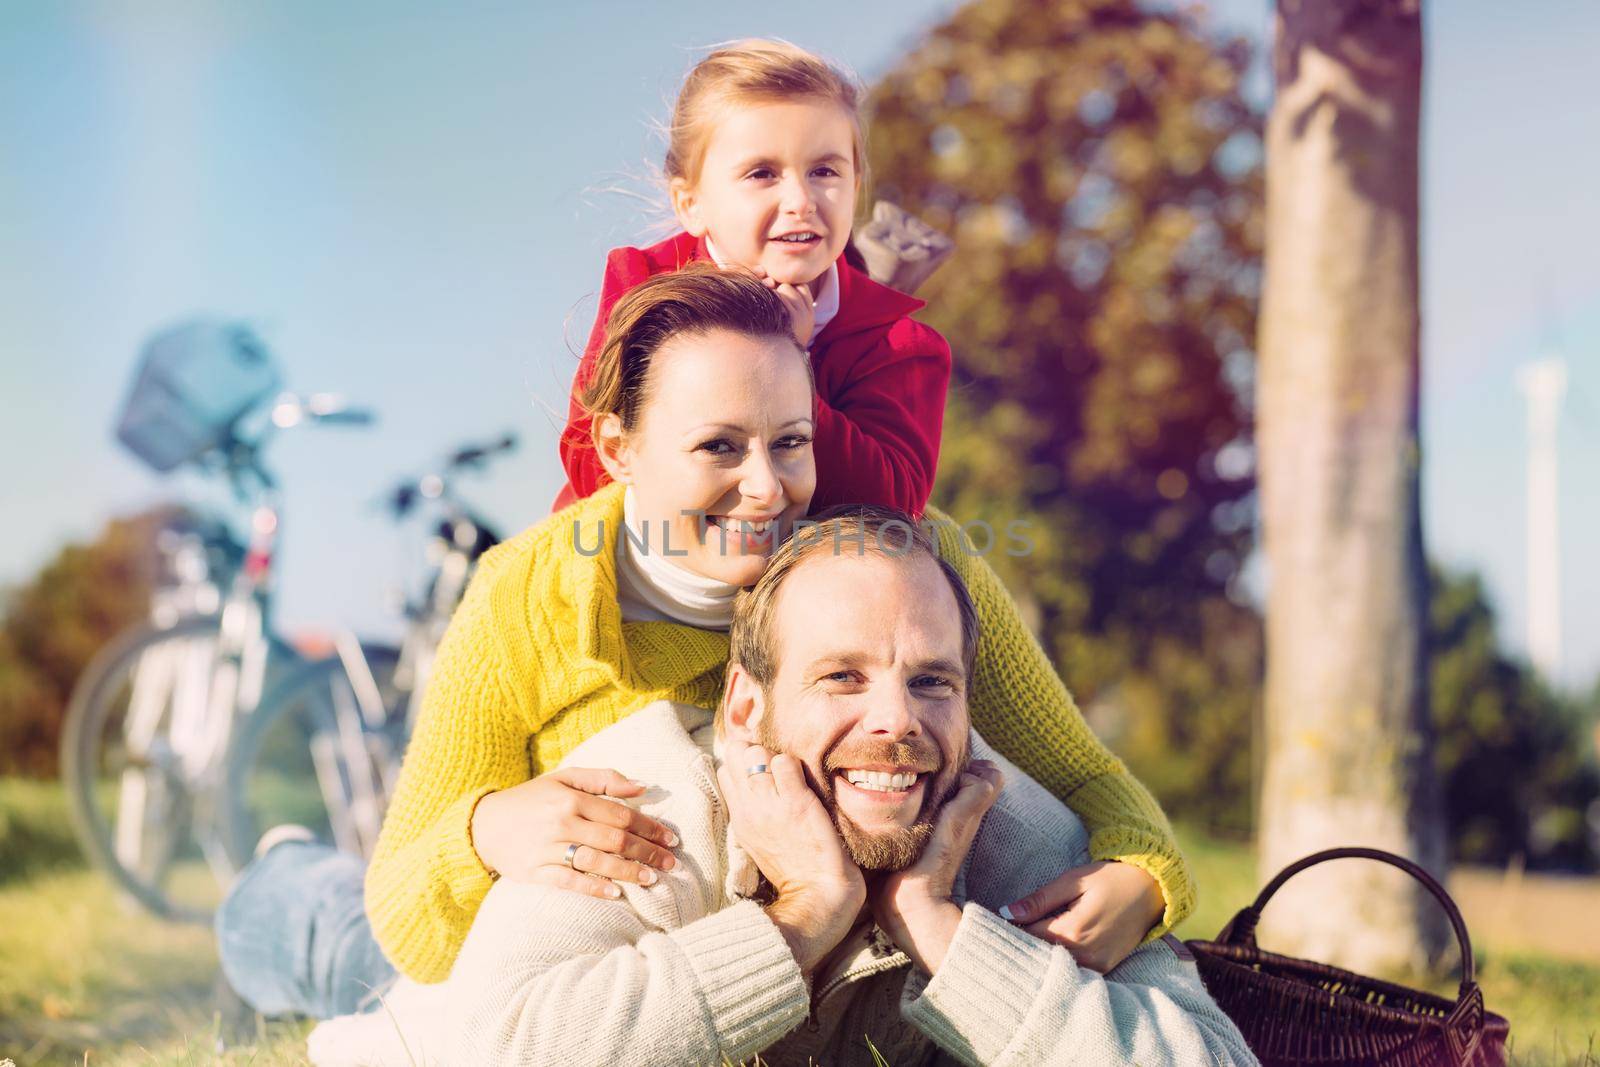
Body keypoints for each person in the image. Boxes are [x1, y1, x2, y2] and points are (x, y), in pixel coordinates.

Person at [306, 510, 1253, 1067]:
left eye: (932, 680)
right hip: (404, 1000)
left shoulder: (1004, 830)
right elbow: (490, 1050)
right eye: (841, 677)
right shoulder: (646, 810)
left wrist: (944, 931)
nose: (898, 722)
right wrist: (800, 919)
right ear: (748, 708)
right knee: (320, 937)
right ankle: (289, 876)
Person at [555, 38, 950, 516]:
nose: (801, 200)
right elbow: (589, 461)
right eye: (763, 173)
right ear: (691, 204)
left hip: (807, 569)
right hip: (648, 558)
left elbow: (893, 503)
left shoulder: (898, 343)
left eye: (824, 170)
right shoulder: (643, 287)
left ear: (856, 188)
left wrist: (791, 364)